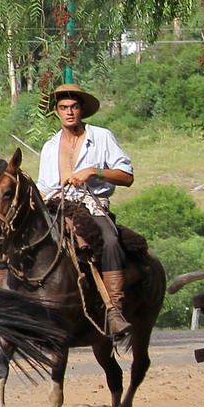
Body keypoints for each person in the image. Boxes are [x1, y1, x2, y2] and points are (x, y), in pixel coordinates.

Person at [36, 82, 136, 338]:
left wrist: (94, 171)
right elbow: (45, 186)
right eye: (63, 107)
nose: (69, 112)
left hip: (92, 206)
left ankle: (115, 310)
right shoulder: (49, 146)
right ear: (56, 111)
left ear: (82, 110)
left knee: (110, 240)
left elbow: (126, 176)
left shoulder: (101, 137)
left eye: (74, 107)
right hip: (56, 207)